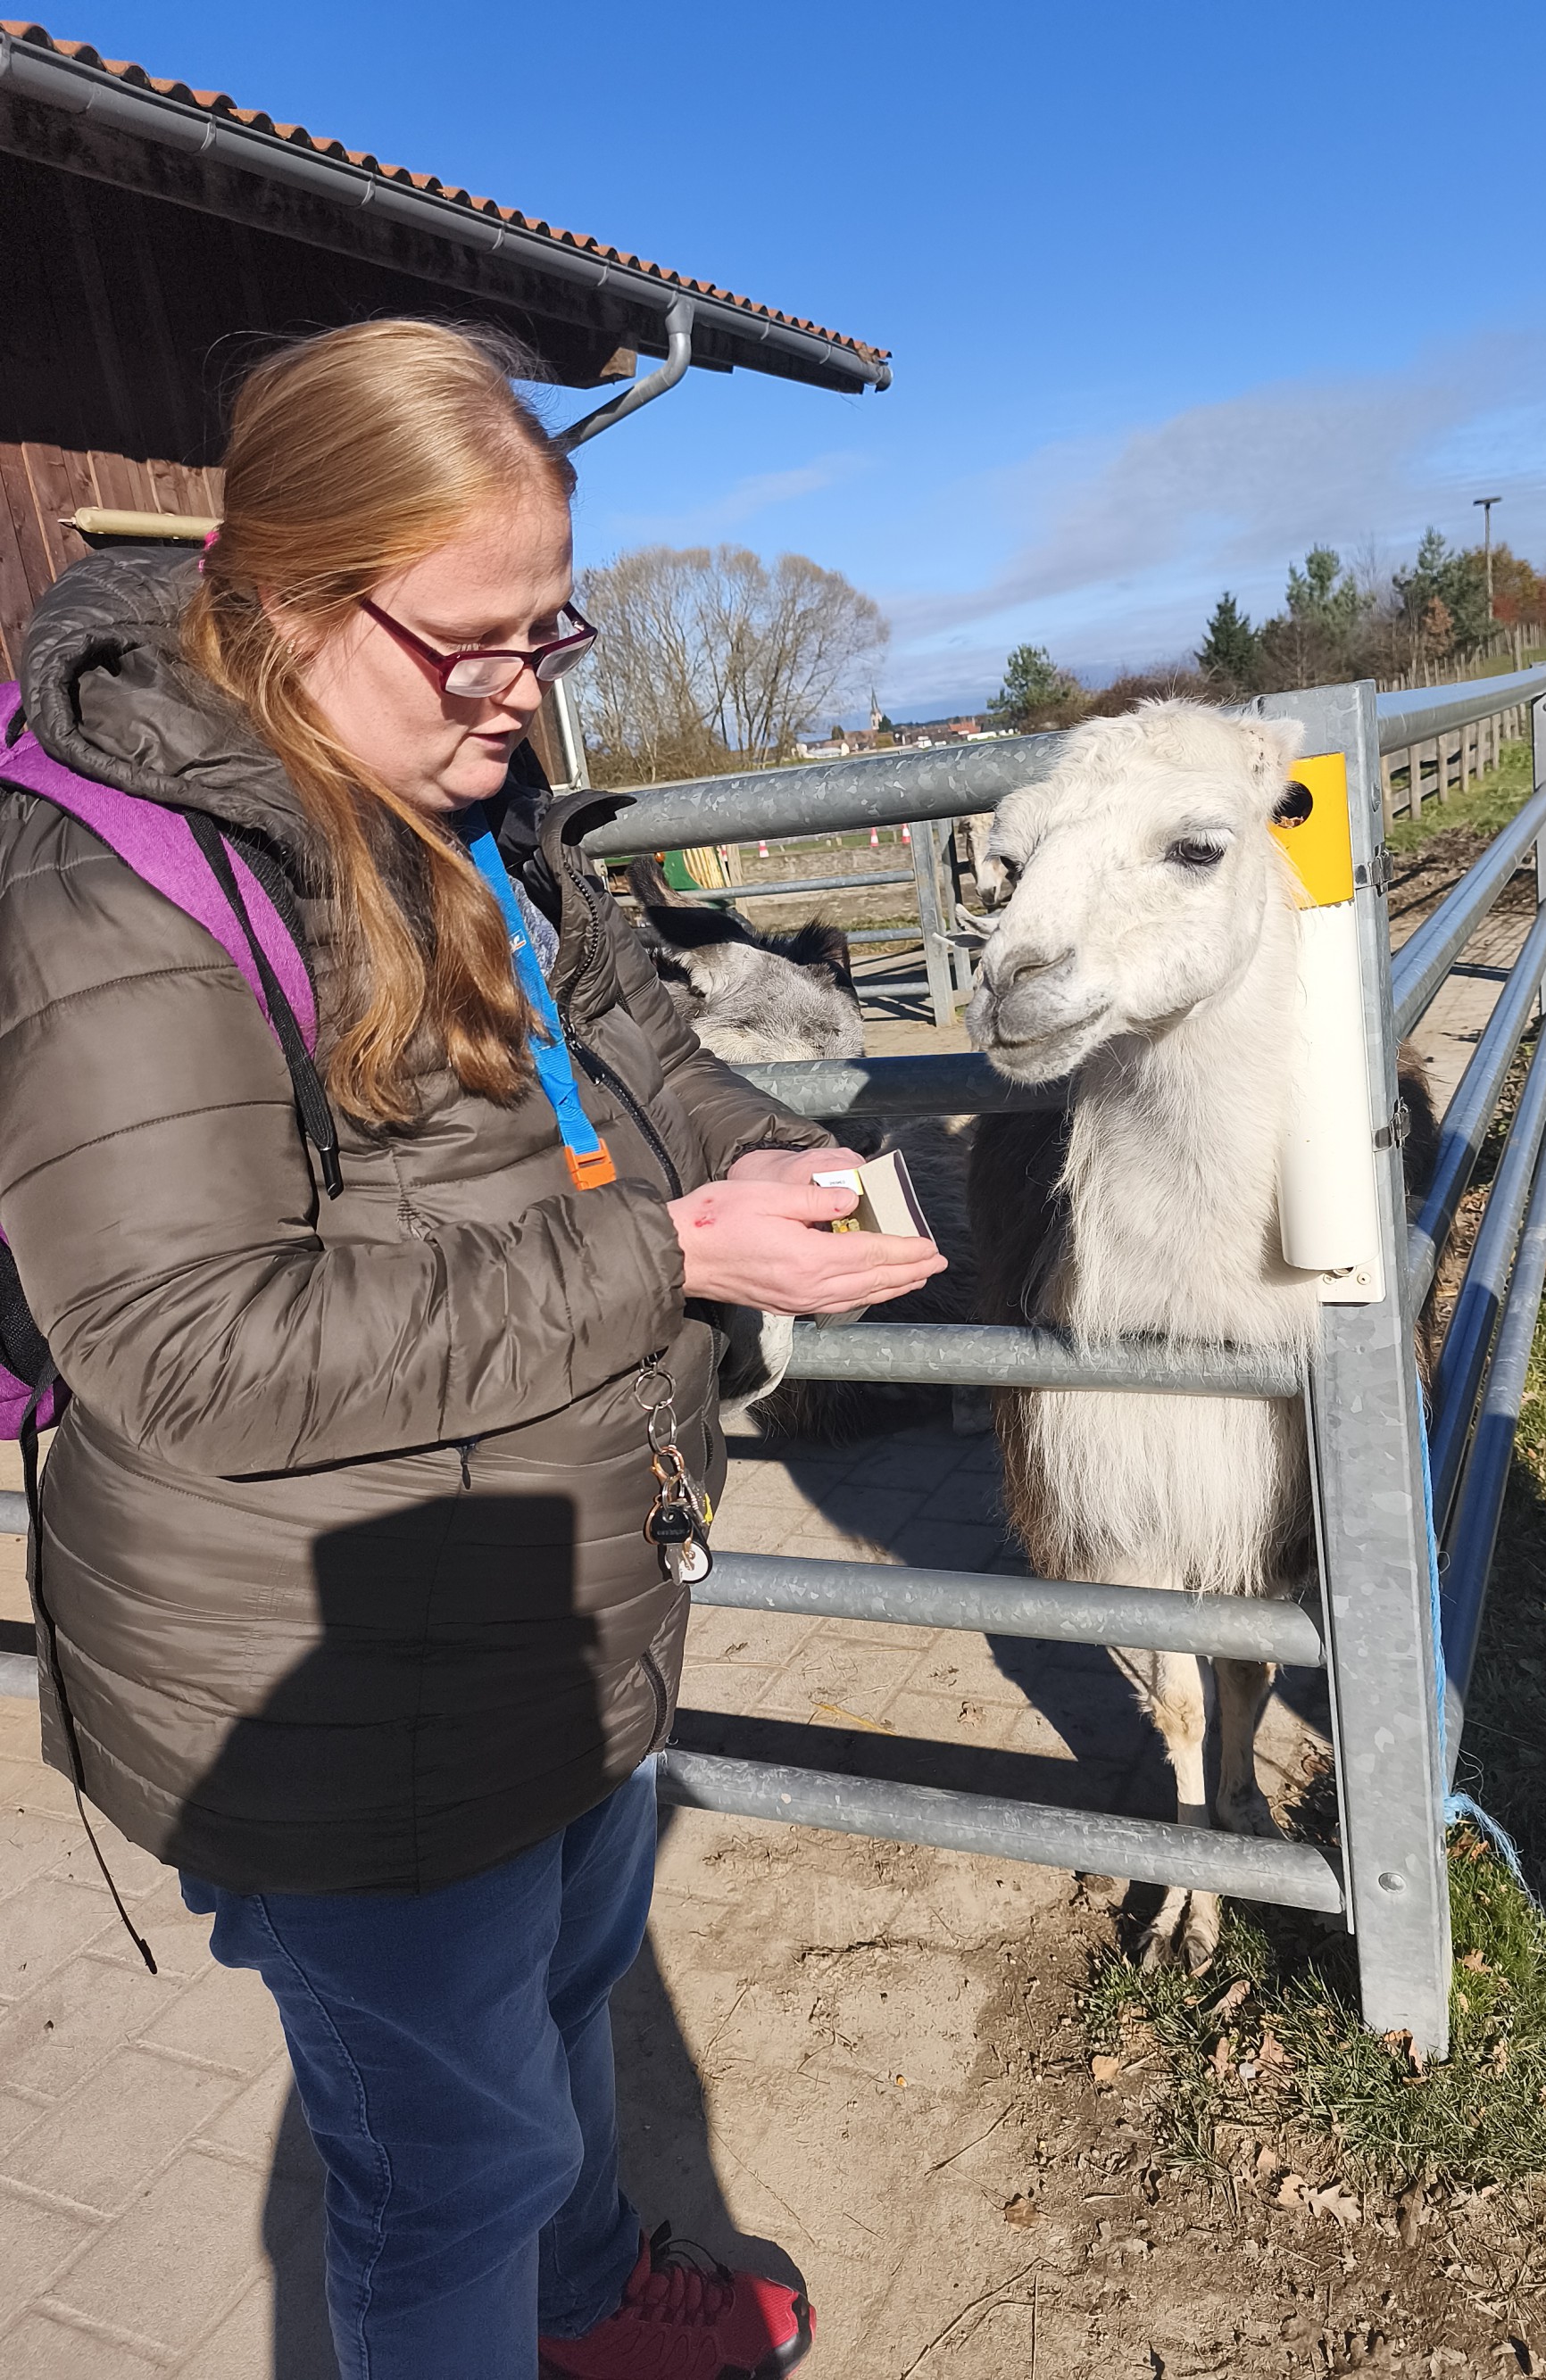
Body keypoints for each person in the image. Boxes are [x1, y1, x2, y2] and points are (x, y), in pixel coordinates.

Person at [0, 319, 943, 2380]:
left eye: (554, 626)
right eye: (477, 637)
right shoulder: (111, 889)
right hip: (331, 1691)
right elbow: (188, 1345)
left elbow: (648, 1052)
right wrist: (668, 1256)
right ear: (289, 598)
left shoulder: (473, 796)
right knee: (444, 2173)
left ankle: (591, 2305)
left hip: (554, 1594)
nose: (527, 685)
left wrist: (782, 1168)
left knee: (560, 2011)